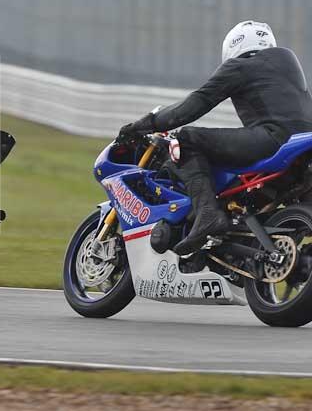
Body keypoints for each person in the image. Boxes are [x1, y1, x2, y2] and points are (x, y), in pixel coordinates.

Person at [119, 20, 312, 255]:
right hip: (302, 144)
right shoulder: (289, 64)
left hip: (272, 140)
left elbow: (193, 105)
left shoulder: (240, 66)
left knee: (187, 139)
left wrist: (145, 124)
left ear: (233, 46)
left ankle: (207, 213)